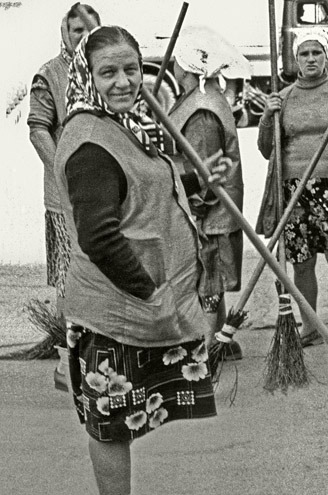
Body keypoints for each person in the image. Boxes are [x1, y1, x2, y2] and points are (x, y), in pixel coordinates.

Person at [55, 25, 231, 494]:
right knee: (110, 426)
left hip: (138, 303)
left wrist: (198, 180)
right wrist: (150, 291)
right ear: (86, 76)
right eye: (108, 72)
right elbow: (99, 237)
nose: (124, 81)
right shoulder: (90, 143)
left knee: (119, 420)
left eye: (131, 69)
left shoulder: (119, 126)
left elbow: (143, 189)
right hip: (116, 310)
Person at [257, 28, 328, 351]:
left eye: (317, 52)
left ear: (326, 55)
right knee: (301, 262)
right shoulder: (284, 98)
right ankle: (310, 325)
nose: (311, 59)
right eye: (304, 53)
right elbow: (266, 148)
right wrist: (267, 115)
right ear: (296, 59)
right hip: (294, 188)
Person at [27, 3, 99, 389]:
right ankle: (67, 364)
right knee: (71, 279)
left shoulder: (104, 70)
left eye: (90, 28)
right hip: (65, 198)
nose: (84, 36)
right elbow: (38, 129)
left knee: (100, 275)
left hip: (102, 195)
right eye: (76, 30)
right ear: (65, 34)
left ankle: (92, 357)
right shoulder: (50, 74)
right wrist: (63, 170)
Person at [169, 26, 246, 357]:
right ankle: (219, 339)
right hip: (210, 205)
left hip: (209, 208)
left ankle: (209, 345)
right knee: (210, 272)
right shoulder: (202, 100)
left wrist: (196, 203)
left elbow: (206, 164)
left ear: (184, 67)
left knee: (208, 275)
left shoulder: (201, 109)